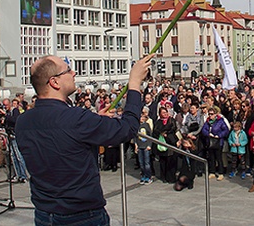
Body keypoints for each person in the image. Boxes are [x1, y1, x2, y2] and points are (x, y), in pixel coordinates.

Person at [16, 54, 153, 226]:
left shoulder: (23, 121)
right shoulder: (76, 119)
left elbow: (62, 140)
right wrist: (134, 84)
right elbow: (127, 129)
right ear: (54, 82)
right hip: (81, 216)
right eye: (67, 70)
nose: (73, 73)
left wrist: (95, 120)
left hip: (44, 214)